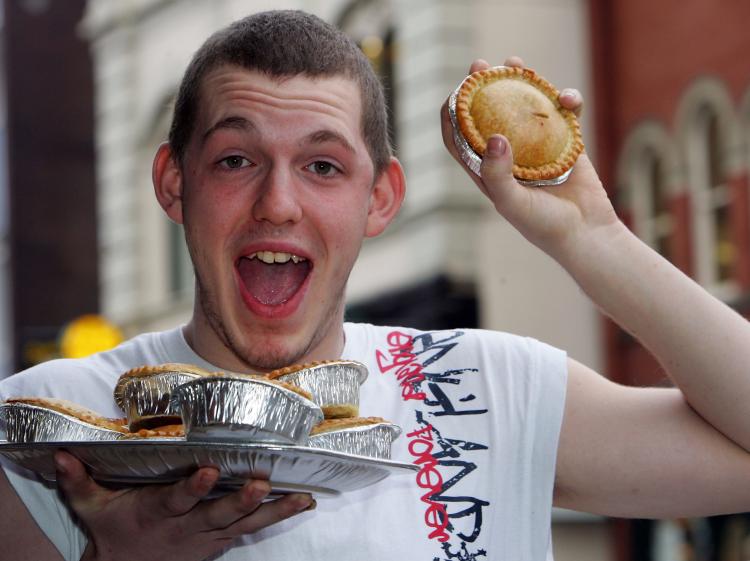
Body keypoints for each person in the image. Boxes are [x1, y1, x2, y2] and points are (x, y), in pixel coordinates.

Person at [2, 9, 750, 561]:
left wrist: (597, 242)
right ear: (174, 182)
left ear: (381, 198)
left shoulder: (489, 387)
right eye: (235, 160)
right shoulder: (49, 431)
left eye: (323, 165)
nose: (279, 202)